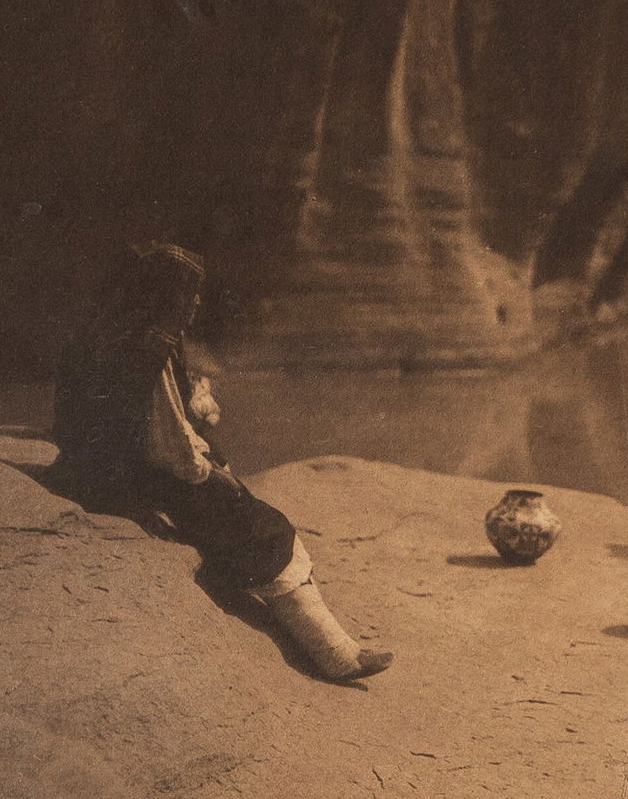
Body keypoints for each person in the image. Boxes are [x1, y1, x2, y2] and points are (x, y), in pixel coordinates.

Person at [50, 241, 393, 683]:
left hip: (91, 469)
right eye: (188, 294)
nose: (194, 304)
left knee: (234, 503)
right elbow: (172, 452)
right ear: (166, 297)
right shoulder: (151, 353)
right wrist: (214, 474)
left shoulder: (112, 333)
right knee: (266, 527)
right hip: (128, 479)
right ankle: (336, 654)